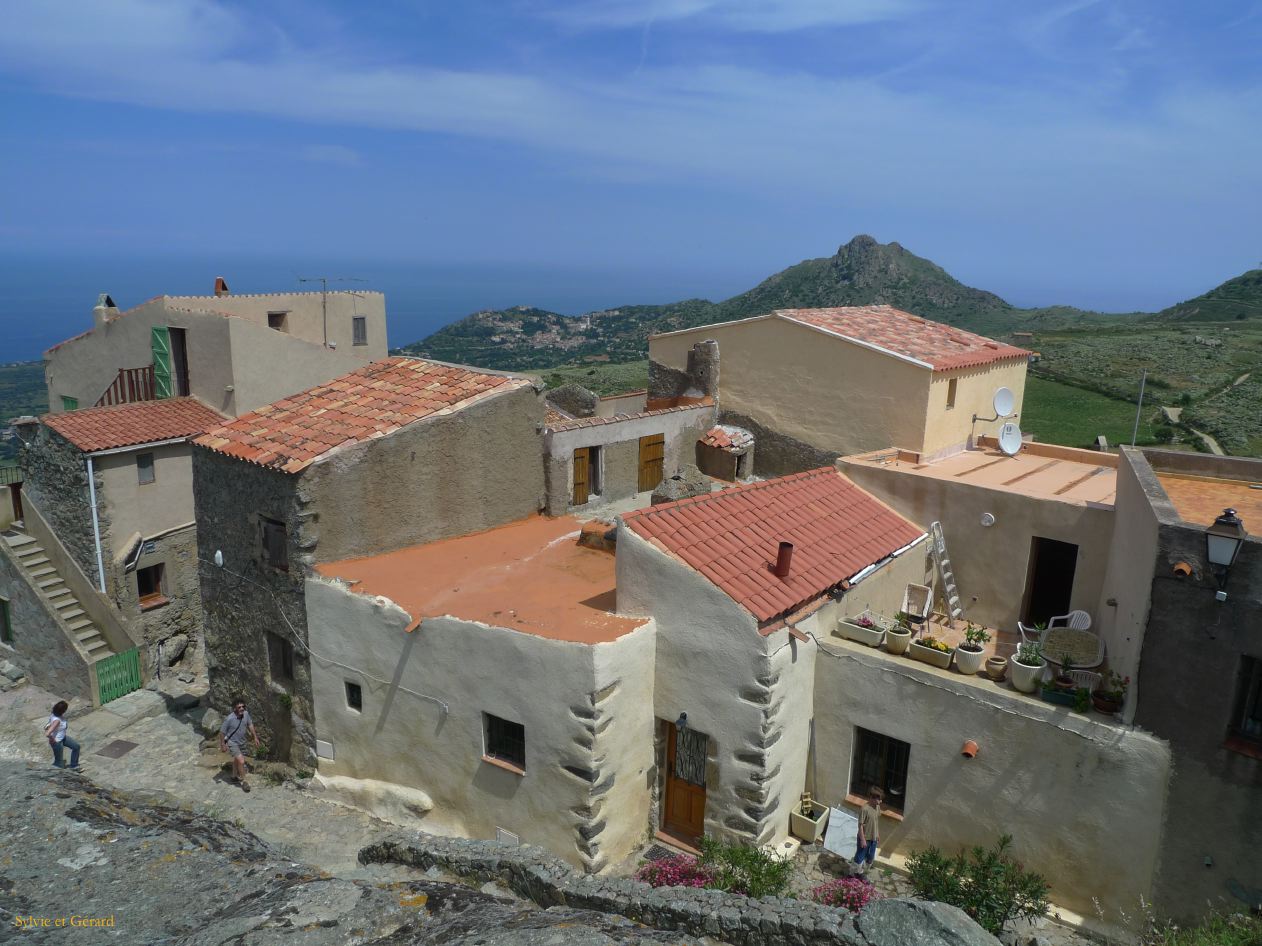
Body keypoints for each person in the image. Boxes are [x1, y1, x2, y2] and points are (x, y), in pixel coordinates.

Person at [219, 698, 260, 792]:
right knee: (241, 761)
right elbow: (222, 732)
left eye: (243, 706)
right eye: (239, 707)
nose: (242, 708)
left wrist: (255, 737)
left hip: (242, 741)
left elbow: (250, 725)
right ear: (234, 709)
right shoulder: (229, 719)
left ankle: (233, 776)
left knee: (237, 760)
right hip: (232, 742)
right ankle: (244, 782)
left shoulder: (246, 714)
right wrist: (223, 744)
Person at [44, 700, 80, 770]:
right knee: (59, 764)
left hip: (63, 738)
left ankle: (74, 766)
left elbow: (47, 725)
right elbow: (47, 733)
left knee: (76, 747)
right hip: (57, 742)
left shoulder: (53, 714)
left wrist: (48, 726)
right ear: (63, 711)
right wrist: (52, 739)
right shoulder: (57, 721)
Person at [854, 785, 883, 872]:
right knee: (860, 856)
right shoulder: (864, 809)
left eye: (880, 799)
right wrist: (862, 839)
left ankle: (862, 871)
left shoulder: (877, 807)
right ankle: (854, 873)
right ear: (871, 798)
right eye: (878, 799)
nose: (880, 801)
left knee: (870, 857)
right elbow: (860, 825)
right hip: (865, 838)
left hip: (873, 838)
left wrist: (877, 834)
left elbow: (876, 821)